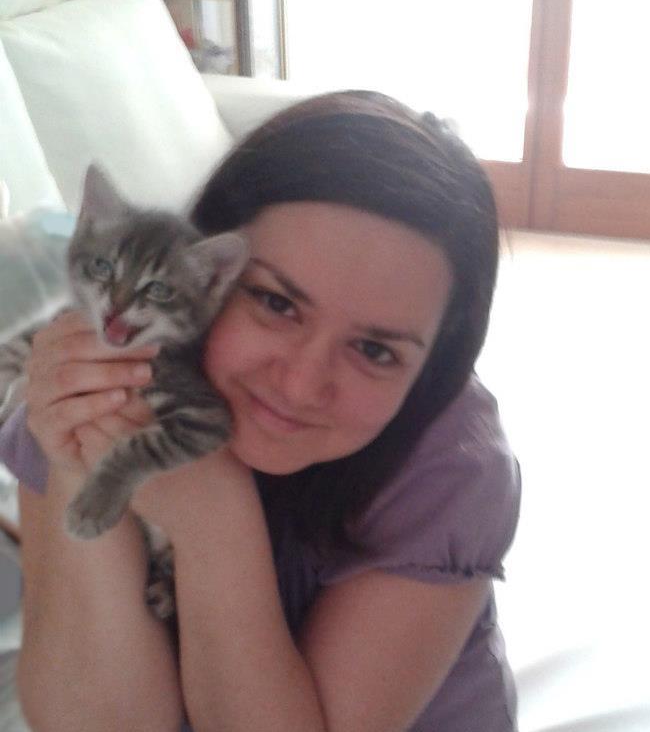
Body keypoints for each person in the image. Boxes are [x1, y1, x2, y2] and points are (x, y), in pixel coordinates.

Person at [0, 90, 521, 732]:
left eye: (374, 350)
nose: (300, 385)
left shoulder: (452, 465)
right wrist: (86, 461)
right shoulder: (100, 366)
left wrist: (215, 520)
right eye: (276, 303)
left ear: (433, 366)